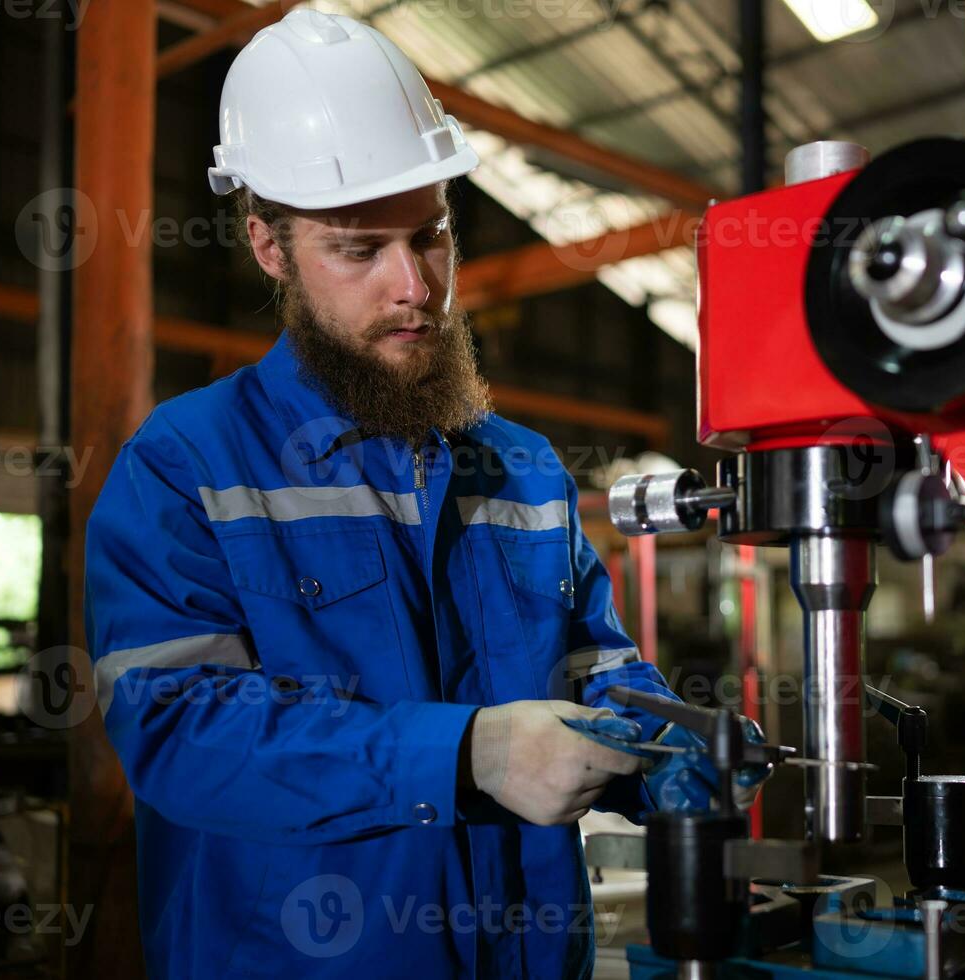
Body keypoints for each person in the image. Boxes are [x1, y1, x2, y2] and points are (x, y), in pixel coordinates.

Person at [84, 10, 764, 978]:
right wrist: (464, 754)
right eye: (360, 248)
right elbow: (181, 727)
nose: (416, 286)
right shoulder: (187, 463)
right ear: (268, 246)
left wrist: (674, 746)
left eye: (432, 234)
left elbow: (593, 670)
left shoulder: (524, 471)